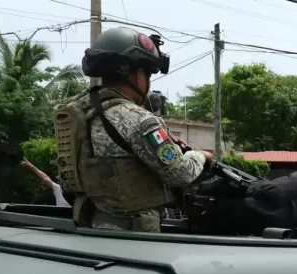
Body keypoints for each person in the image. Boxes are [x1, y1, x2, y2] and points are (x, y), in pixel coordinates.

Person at [54, 26, 213, 231]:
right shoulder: (139, 120)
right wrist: (200, 156)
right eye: (148, 74)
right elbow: (179, 173)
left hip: (91, 224)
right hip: (136, 235)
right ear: (138, 74)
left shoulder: (81, 113)